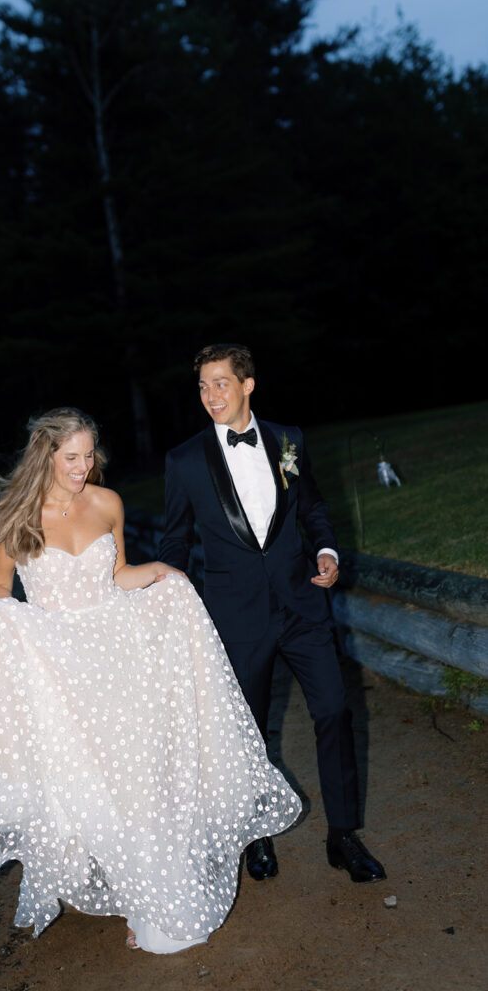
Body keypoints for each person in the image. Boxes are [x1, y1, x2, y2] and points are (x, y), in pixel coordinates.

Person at [0, 407, 300, 954]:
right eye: (70, 457)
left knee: (136, 773)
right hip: (59, 660)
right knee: (84, 773)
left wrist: (164, 576)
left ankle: (145, 890)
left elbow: (118, 575)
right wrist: (9, 625)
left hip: (118, 653)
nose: (82, 466)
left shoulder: (107, 502)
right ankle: (107, 878)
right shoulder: (11, 516)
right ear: (45, 455)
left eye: (88, 454)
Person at [159, 344, 386, 884]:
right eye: (203, 386)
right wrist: (169, 595)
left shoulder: (289, 441)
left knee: (333, 710)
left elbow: (312, 507)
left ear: (247, 385)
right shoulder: (185, 460)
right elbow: (175, 539)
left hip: (302, 603)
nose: (210, 395)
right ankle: (255, 835)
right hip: (235, 617)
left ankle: (343, 836)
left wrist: (327, 551)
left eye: (220, 383)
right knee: (248, 733)